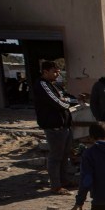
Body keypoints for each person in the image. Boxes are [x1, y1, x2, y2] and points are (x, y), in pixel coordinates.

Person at [33, 61, 76, 195]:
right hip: (54, 126)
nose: (57, 74)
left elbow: (68, 97)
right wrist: (67, 103)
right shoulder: (42, 85)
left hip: (64, 125)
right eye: (55, 71)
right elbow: (57, 102)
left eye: (58, 71)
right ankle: (56, 186)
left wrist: (70, 101)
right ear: (45, 72)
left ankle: (64, 181)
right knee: (56, 157)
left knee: (64, 155)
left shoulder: (55, 85)